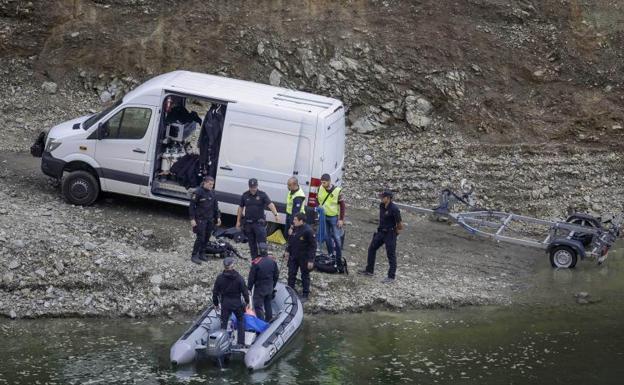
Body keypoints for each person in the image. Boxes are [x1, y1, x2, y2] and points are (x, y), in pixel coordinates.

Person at [358, 191, 403, 283]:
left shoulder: (394, 209)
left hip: (390, 233)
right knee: (371, 249)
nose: (381, 198)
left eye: (383, 197)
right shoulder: (382, 206)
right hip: (381, 232)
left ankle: (391, 277)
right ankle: (369, 270)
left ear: (388, 198)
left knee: (391, 254)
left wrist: (395, 233)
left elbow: (400, 224)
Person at [236, 178, 279, 259]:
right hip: (248, 224)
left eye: (254, 187)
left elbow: (270, 204)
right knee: (252, 245)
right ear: (249, 186)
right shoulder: (245, 195)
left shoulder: (262, 194)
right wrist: (238, 221)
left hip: (259, 224)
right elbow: (240, 208)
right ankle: (254, 261)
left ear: (257, 186)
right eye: (251, 187)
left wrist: (276, 214)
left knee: (262, 244)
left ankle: (264, 261)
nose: (253, 189)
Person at [212, 257, 250, 348]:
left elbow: (215, 292)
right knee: (240, 321)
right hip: (237, 303)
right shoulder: (239, 278)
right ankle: (240, 343)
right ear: (232, 266)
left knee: (224, 323)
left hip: (225, 303)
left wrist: (216, 304)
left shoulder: (220, 278)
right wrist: (247, 301)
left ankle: (221, 342)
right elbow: (244, 291)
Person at [189, 175, 221, 264]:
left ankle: (202, 253)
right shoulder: (198, 192)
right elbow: (192, 207)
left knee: (207, 237)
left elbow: (216, 206)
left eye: (212, 184)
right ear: (205, 183)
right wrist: (192, 219)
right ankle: (194, 255)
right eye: (210, 184)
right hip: (200, 219)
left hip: (210, 219)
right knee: (200, 237)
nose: (211, 186)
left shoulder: (213, 193)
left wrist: (218, 217)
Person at [285, 212, 316, 302]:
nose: (293, 221)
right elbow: (291, 240)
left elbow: (313, 246)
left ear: (301, 221)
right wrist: (287, 251)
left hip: (304, 257)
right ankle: (290, 291)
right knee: (291, 273)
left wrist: (311, 260)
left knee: (305, 276)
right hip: (294, 255)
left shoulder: (308, 231)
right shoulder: (294, 228)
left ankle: (305, 294)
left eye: (295, 220)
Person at [317, 173, 345, 270]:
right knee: (326, 236)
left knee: (337, 238)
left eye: (324, 182)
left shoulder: (337, 191)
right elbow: (318, 199)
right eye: (322, 182)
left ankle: (338, 259)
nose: (322, 184)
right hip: (324, 216)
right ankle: (330, 255)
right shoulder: (320, 188)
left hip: (333, 217)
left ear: (329, 181)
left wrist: (341, 219)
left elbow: (342, 205)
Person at [247, 243, 279, 322]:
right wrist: (273, 285)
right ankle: (269, 318)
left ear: (259, 250)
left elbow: (251, 277)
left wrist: (249, 288)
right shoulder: (272, 262)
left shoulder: (256, 263)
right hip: (269, 286)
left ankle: (261, 322)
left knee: (258, 306)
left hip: (260, 288)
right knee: (268, 303)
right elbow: (276, 275)